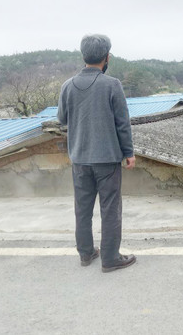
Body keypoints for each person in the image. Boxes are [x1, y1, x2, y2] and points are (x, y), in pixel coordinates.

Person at [57, 34, 136, 273]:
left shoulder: (67, 86)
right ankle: (110, 258)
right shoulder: (112, 85)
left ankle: (86, 252)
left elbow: (61, 119)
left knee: (82, 207)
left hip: (79, 158)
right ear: (106, 57)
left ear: (83, 56)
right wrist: (128, 152)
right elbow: (122, 123)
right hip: (107, 158)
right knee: (110, 208)